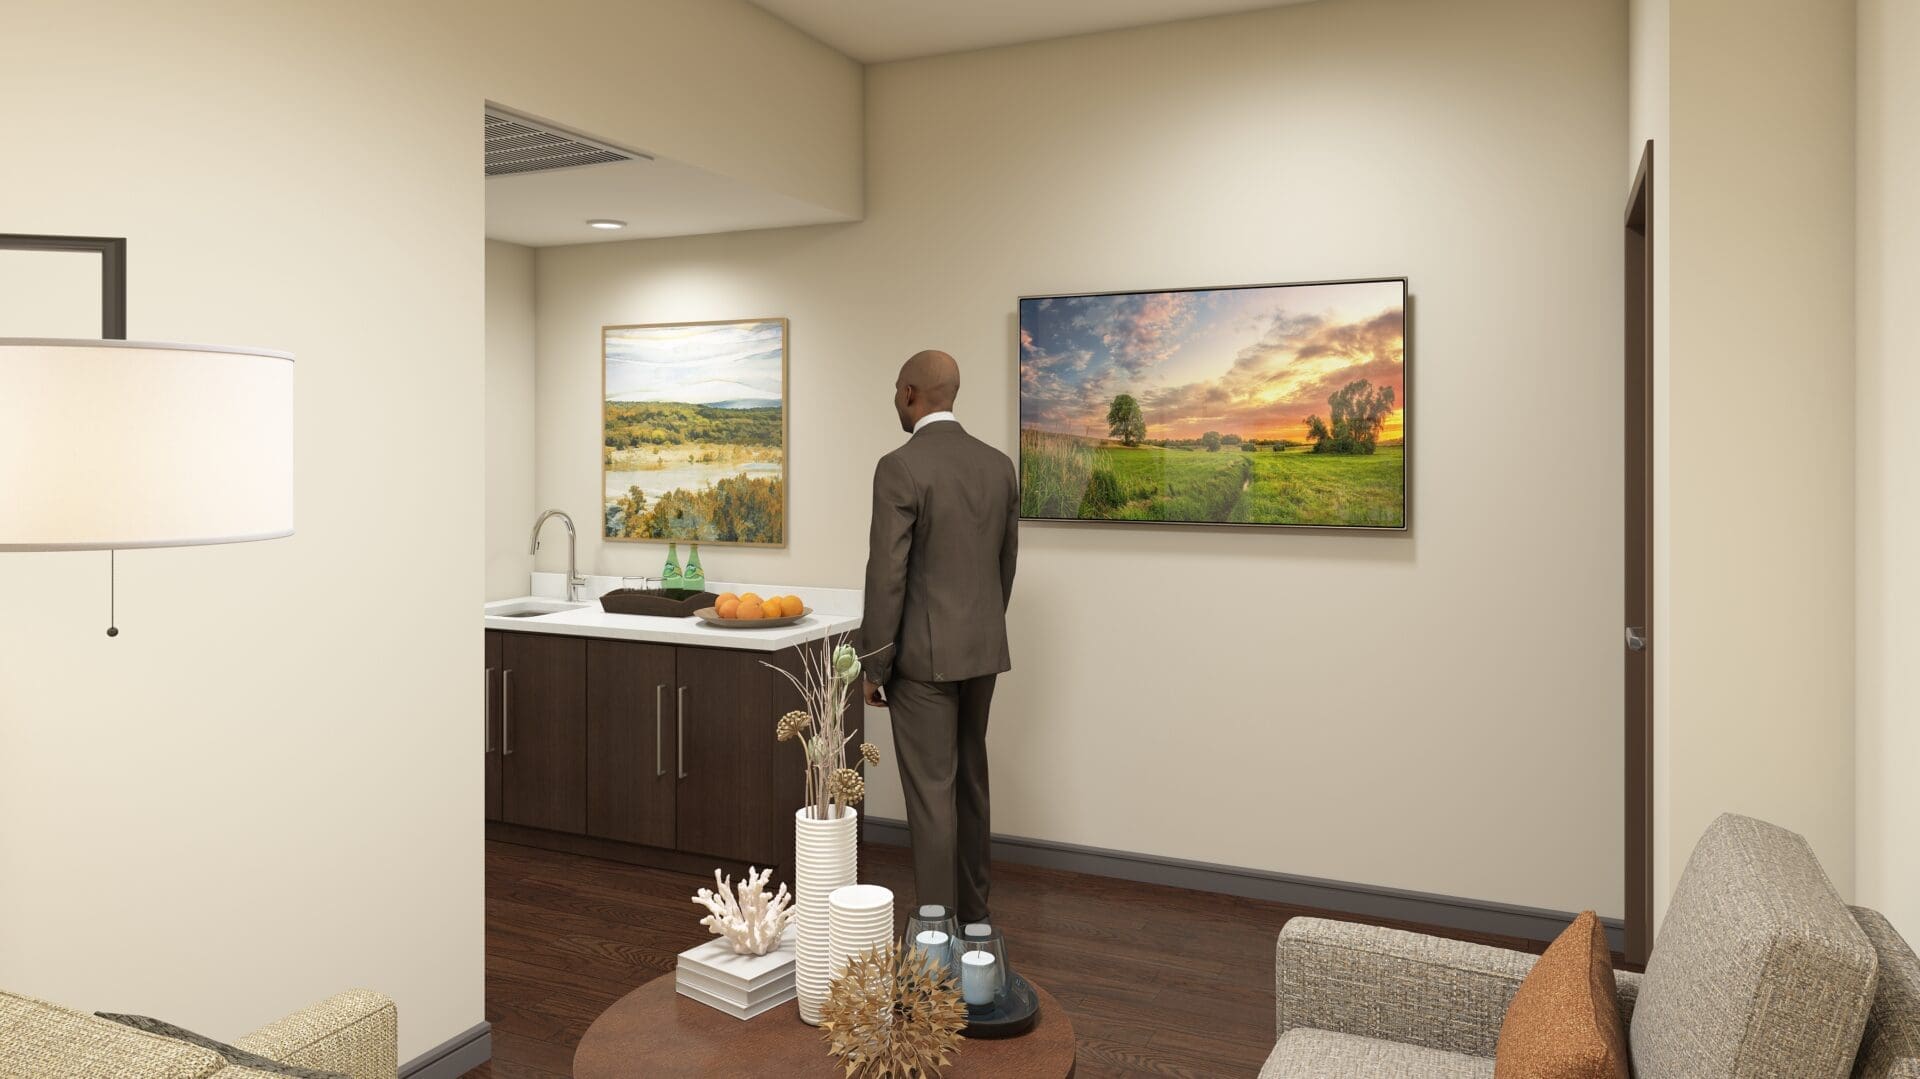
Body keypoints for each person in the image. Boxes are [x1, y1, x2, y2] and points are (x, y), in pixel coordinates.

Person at [859, 349, 1018, 924]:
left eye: (897, 390)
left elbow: (887, 575)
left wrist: (873, 665)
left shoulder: (899, 466)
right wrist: (979, 630)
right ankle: (976, 924)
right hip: (981, 652)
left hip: (923, 663)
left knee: (931, 797)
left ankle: (933, 935)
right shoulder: (999, 465)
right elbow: (1005, 566)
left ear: (910, 394)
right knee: (970, 784)